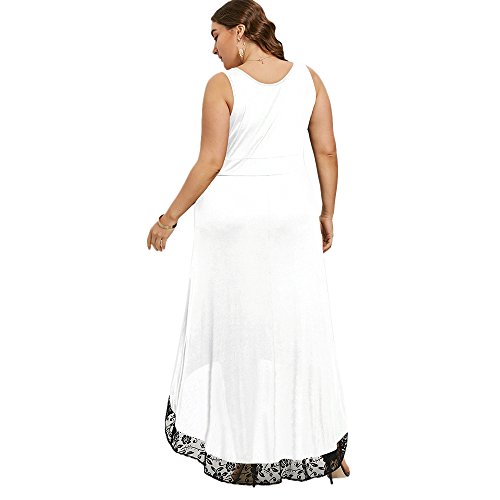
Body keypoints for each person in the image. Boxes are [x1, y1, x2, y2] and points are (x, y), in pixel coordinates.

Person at [147, 0, 351, 486]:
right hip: (291, 222)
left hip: (232, 224)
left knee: (237, 334)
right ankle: (327, 455)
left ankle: (240, 453)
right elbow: (326, 149)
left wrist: (168, 219)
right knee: (298, 332)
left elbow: (210, 161)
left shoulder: (223, 86)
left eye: (215, 35)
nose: (213, 48)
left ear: (240, 31)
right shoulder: (309, 79)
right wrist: (327, 212)